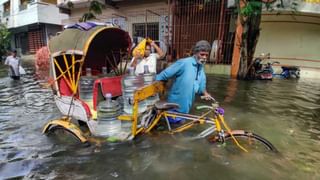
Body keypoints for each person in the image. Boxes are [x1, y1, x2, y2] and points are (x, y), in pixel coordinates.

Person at [156, 40, 212, 115]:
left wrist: (205, 93)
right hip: (174, 106)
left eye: (206, 55)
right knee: (174, 125)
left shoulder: (201, 68)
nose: (204, 57)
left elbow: (200, 88)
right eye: (202, 54)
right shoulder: (184, 63)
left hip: (186, 107)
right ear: (195, 53)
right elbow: (165, 74)